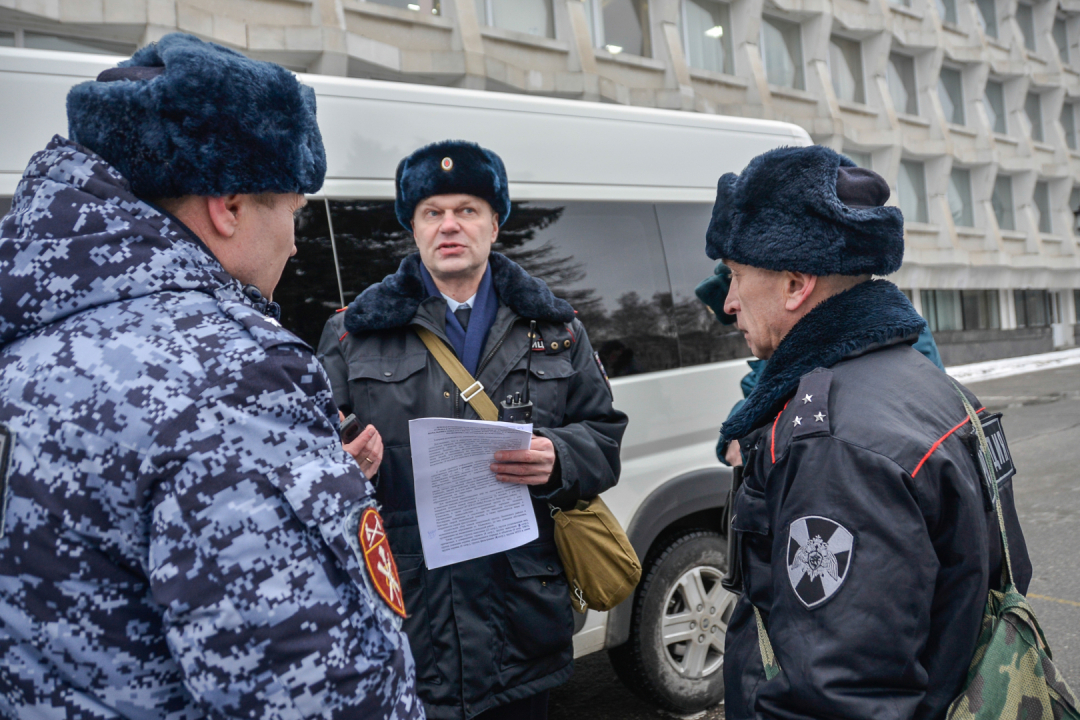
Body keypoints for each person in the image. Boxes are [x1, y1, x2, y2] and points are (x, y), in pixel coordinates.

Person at [0, 34, 420, 719]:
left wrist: (286, 483)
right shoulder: (233, 375)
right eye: (291, 209)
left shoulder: (29, 328)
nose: (293, 238)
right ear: (228, 204)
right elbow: (322, 691)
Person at [708, 146, 1032, 720]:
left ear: (795, 284)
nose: (728, 303)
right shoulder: (930, 386)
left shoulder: (833, 446)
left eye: (735, 277)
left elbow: (840, 696)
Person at [317, 140, 628, 720]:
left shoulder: (556, 328)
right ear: (412, 228)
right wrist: (344, 468)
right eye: (432, 213)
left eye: (467, 210)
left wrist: (558, 457)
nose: (449, 226)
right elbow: (307, 462)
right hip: (409, 619)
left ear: (495, 224)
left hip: (521, 623)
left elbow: (604, 437)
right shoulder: (350, 334)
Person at [694, 262, 945, 466]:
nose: (732, 307)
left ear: (794, 285)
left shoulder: (888, 339)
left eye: (739, 278)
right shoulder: (780, 356)